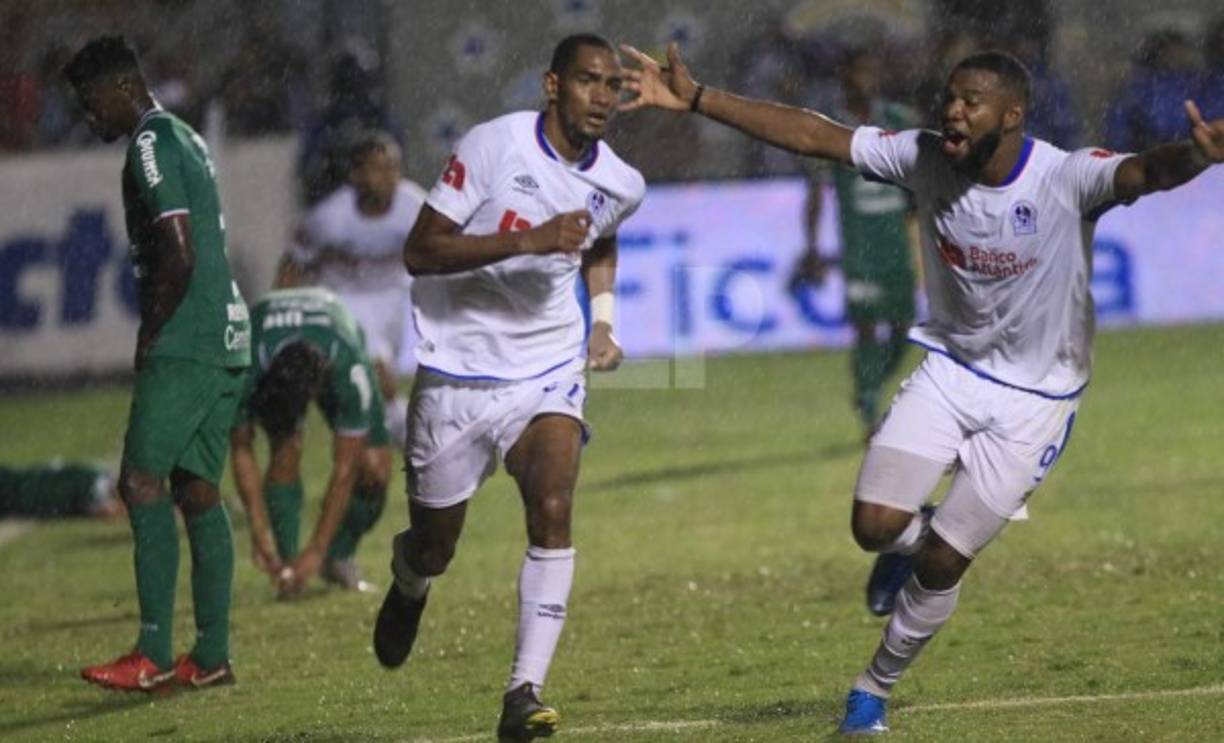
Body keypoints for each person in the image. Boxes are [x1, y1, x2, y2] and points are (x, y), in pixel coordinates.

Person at [620, 42, 1223, 735]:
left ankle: (871, 690)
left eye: (972, 101)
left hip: (1037, 403)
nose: (954, 112)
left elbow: (1145, 171)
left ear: (1013, 113)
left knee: (942, 563)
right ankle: (911, 541)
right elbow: (817, 135)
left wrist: (1198, 154)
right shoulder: (923, 154)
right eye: (950, 98)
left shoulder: (1065, 177)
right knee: (872, 525)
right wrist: (699, 99)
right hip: (952, 369)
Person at [371, 33, 644, 741]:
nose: (602, 97)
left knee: (553, 504)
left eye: (612, 85)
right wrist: (529, 239)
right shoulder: (494, 145)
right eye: (588, 81)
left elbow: (600, 233)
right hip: (456, 372)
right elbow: (420, 249)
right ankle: (410, 577)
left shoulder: (621, 181)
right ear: (552, 86)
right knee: (437, 546)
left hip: (547, 367)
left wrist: (603, 320)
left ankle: (523, 691)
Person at [64, 35, 252, 692]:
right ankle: (214, 651)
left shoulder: (149, 141)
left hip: (189, 338)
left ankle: (151, 652)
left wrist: (152, 330)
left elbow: (177, 249)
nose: (91, 121)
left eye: (92, 105)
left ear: (121, 88)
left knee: (139, 483)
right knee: (196, 490)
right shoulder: (187, 137)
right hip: (228, 333)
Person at [229, 287, 392, 595]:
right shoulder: (245, 362)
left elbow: (345, 469)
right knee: (285, 450)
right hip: (270, 343)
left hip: (333, 339)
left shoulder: (347, 364)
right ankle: (288, 568)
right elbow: (240, 446)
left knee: (374, 470)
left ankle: (337, 557)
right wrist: (258, 528)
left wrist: (317, 549)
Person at [792, 47, 918, 438]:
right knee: (866, 328)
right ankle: (868, 409)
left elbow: (922, 185)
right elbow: (815, 191)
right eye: (859, 70)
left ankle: (872, 387)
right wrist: (812, 246)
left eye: (872, 70)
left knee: (905, 329)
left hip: (895, 244)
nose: (867, 78)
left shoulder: (900, 121)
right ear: (844, 75)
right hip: (860, 247)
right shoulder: (832, 128)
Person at [277, 132, 427, 447]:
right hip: (346, 299)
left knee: (397, 379)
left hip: (397, 296)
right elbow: (294, 261)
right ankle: (402, 438)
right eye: (378, 168)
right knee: (376, 369)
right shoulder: (330, 217)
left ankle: (390, 432)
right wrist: (279, 315)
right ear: (356, 174)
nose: (389, 177)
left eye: (394, 167)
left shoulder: (414, 206)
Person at [0, 461, 122, 519]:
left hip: (28, 491)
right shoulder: (95, 478)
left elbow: (103, 511)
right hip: (28, 488)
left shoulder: (95, 485)